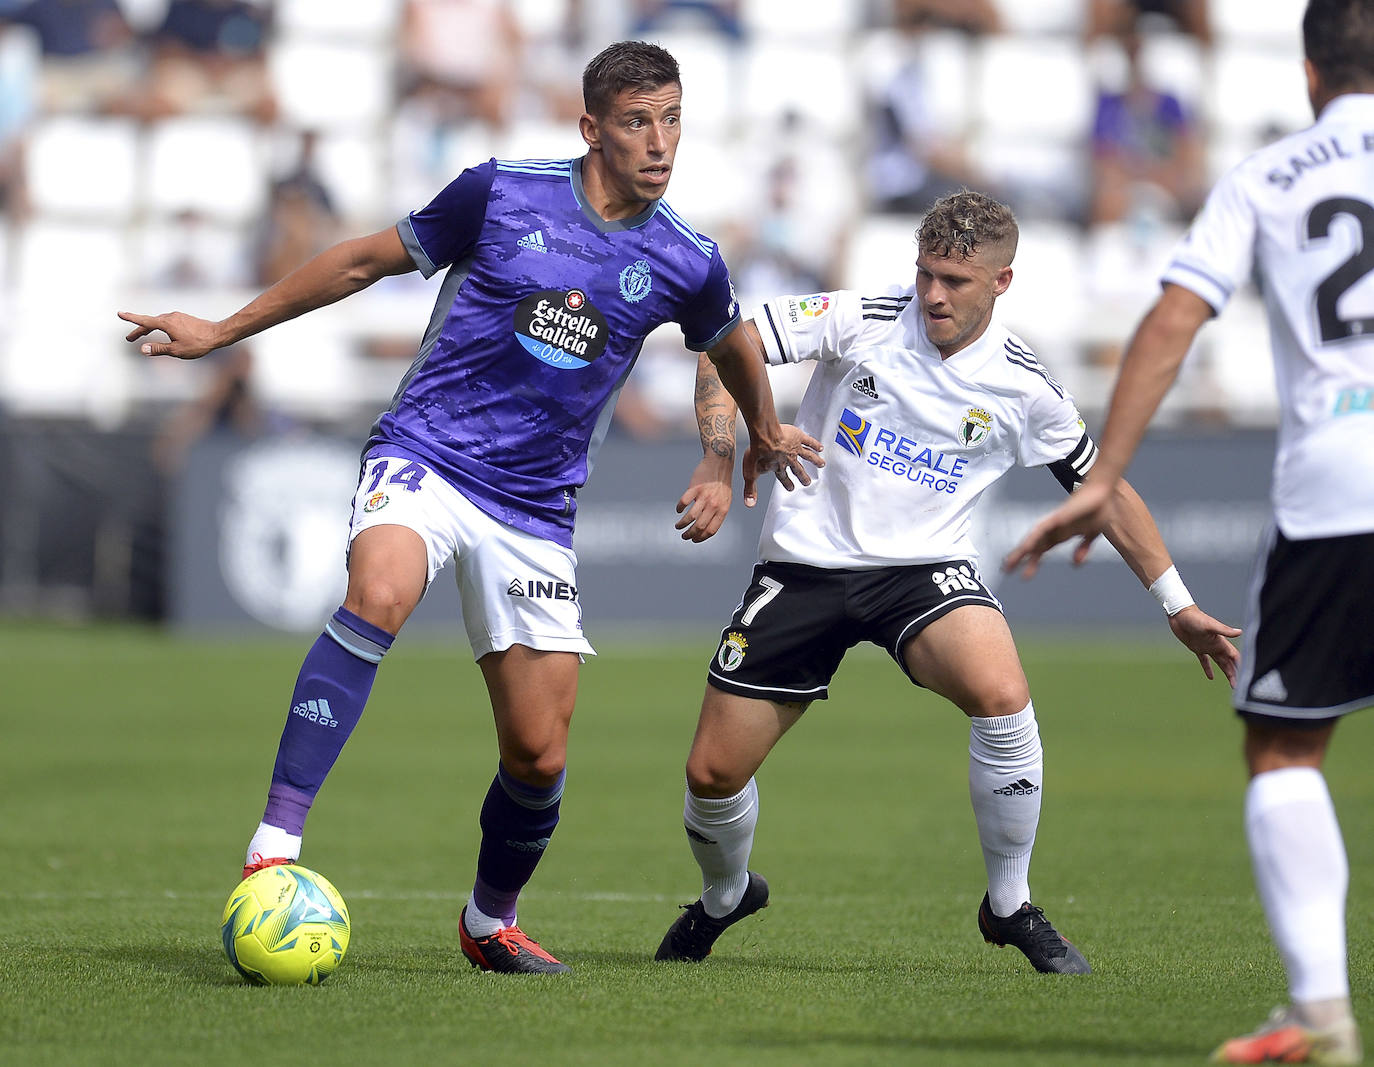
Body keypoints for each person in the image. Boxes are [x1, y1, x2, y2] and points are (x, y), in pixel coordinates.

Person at [119, 40, 820, 976]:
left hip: (534, 507)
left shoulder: (685, 257)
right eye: (637, 122)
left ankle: (490, 920)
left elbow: (732, 345)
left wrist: (737, 442)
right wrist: (222, 327)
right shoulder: (501, 192)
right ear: (591, 129)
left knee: (537, 753)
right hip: (427, 453)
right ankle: (275, 840)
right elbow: (364, 261)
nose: (660, 143)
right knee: (379, 592)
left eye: (673, 119)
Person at [654, 189, 1242, 974]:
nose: (933, 293)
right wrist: (721, 454)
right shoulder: (860, 317)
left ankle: (1009, 903)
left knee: (1002, 690)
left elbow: (1106, 489)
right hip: (804, 563)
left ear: (1001, 282)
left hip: (922, 572)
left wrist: (1180, 605)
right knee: (710, 773)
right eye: (926, 273)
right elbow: (725, 345)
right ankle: (727, 892)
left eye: (955, 281)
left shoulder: (1024, 385)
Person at [1006, 1, 1371, 1060]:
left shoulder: (1271, 175)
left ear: (1308, 74)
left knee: (1287, 746)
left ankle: (1320, 1015)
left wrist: (1104, 472)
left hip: (1339, 487)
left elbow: (1174, 318)